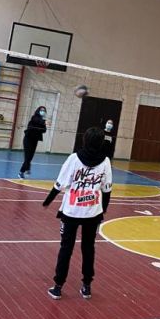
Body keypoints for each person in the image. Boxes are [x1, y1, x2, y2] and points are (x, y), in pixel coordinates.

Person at [43, 127, 112, 300]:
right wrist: (103, 210)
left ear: (85, 140)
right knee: (88, 248)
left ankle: (58, 287)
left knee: (66, 248)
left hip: (72, 211)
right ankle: (87, 286)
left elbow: (60, 184)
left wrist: (48, 201)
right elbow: (107, 189)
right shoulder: (105, 161)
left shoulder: (74, 158)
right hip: (93, 212)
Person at [18, 106, 47, 178]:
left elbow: (44, 130)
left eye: (44, 110)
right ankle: (21, 172)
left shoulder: (42, 120)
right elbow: (37, 121)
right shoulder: (34, 117)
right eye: (41, 110)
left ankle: (27, 168)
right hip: (28, 139)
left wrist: (43, 124)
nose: (43, 111)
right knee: (27, 157)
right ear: (38, 111)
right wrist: (43, 123)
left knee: (30, 157)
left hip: (35, 140)